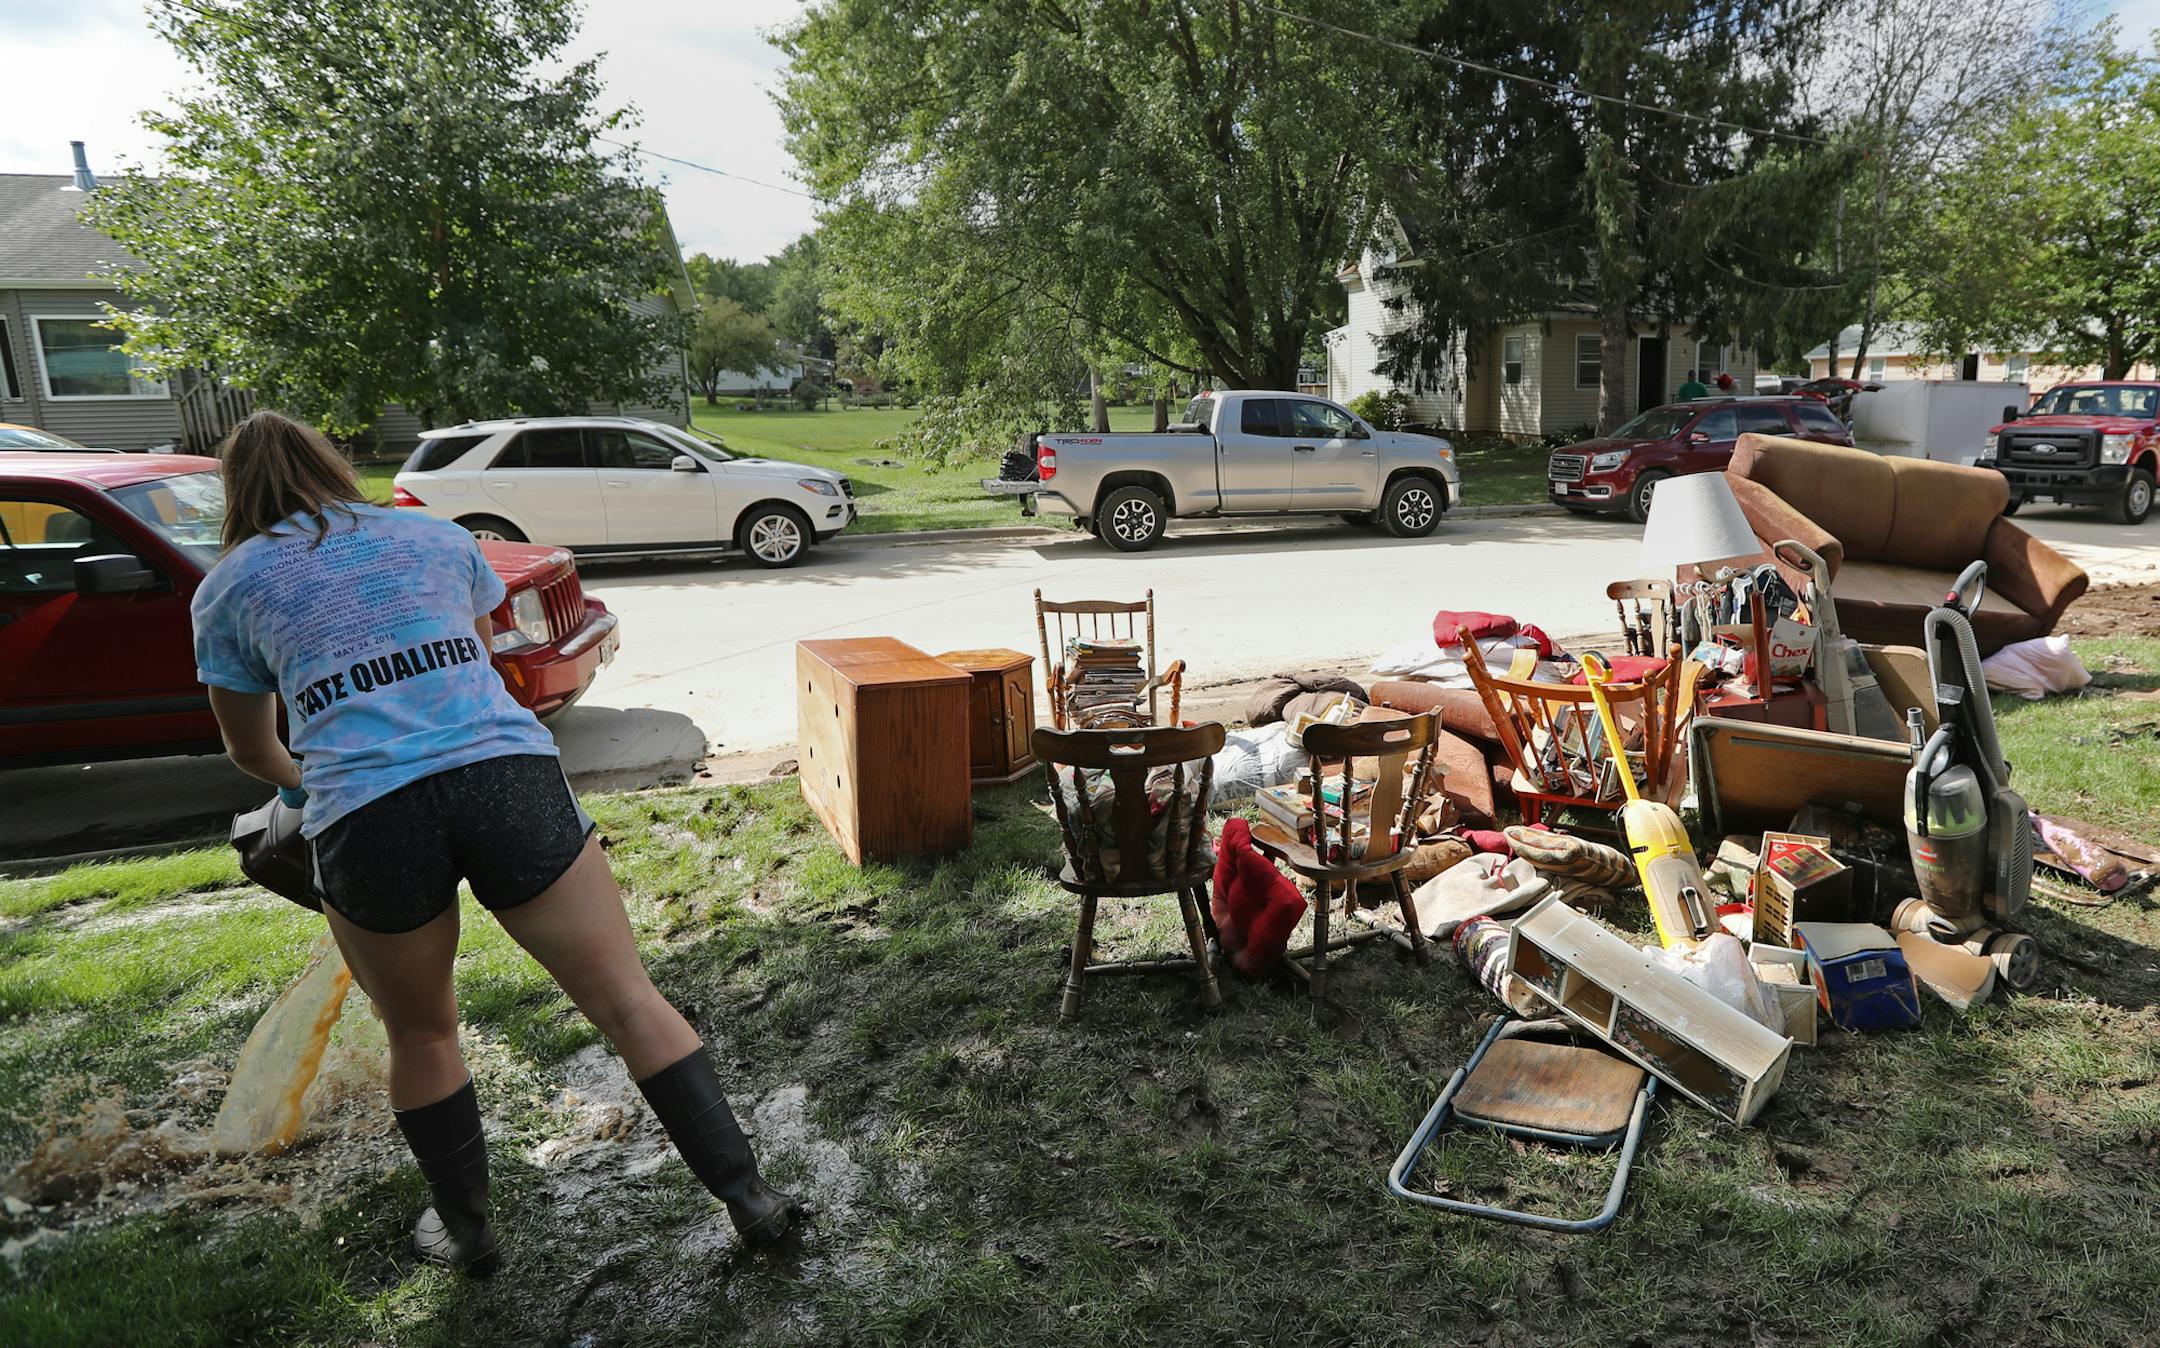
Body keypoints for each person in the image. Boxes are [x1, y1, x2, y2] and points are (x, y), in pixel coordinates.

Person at [192, 411, 800, 1270]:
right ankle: (751, 1199)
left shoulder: (227, 588)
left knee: (423, 1036)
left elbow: (250, 749)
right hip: (504, 775)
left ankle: (468, 1232)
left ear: (235, 492)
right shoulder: (436, 539)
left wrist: (304, 788)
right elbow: (478, 664)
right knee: (629, 1000)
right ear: (332, 466)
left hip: (367, 815)